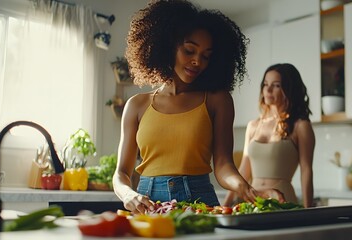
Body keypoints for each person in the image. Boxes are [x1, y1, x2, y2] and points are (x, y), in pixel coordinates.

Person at [112, 0, 284, 214]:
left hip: (199, 201)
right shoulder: (136, 105)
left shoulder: (216, 100)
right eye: (189, 50)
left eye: (206, 56)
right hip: (147, 205)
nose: (197, 61)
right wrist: (129, 195)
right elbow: (121, 173)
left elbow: (223, 165)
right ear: (168, 46)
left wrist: (246, 188)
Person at [223, 63, 316, 208]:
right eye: (265, 84)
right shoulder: (253, 126)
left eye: (276, 85)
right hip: (253, 202)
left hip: (283, 202)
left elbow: (306, 170)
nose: (268, 89)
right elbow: (243, 170)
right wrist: (226, 204)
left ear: (289, 89)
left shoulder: (301, 126)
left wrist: (308, 209)